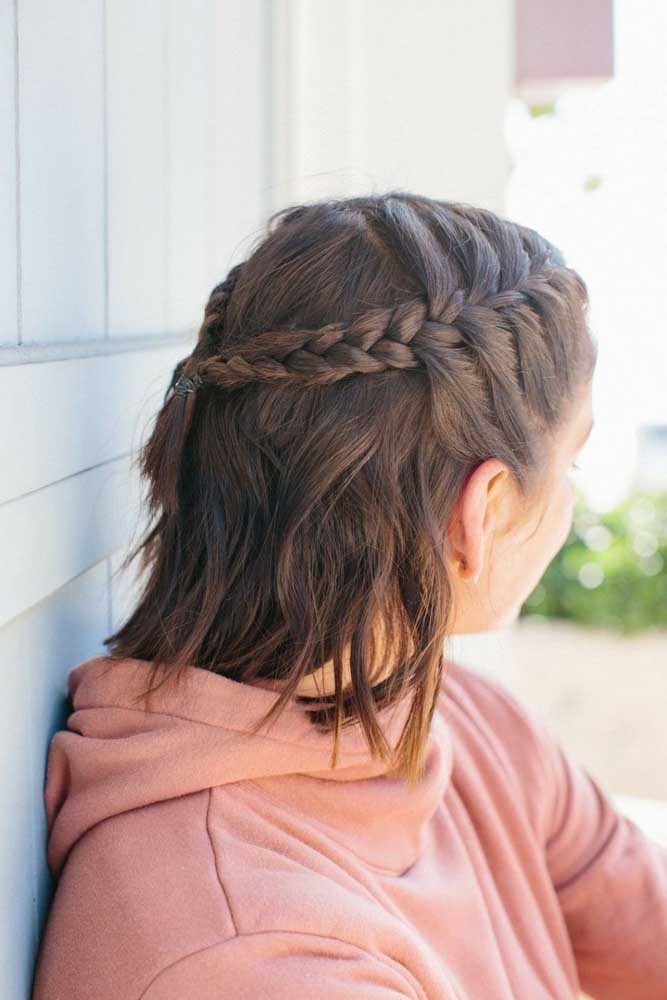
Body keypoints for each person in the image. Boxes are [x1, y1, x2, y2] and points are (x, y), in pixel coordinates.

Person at [31, 193, 666, 999]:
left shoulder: (464, 724)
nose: (569, 498)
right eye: (569, 461)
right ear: (486, 512)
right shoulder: (239, 952)